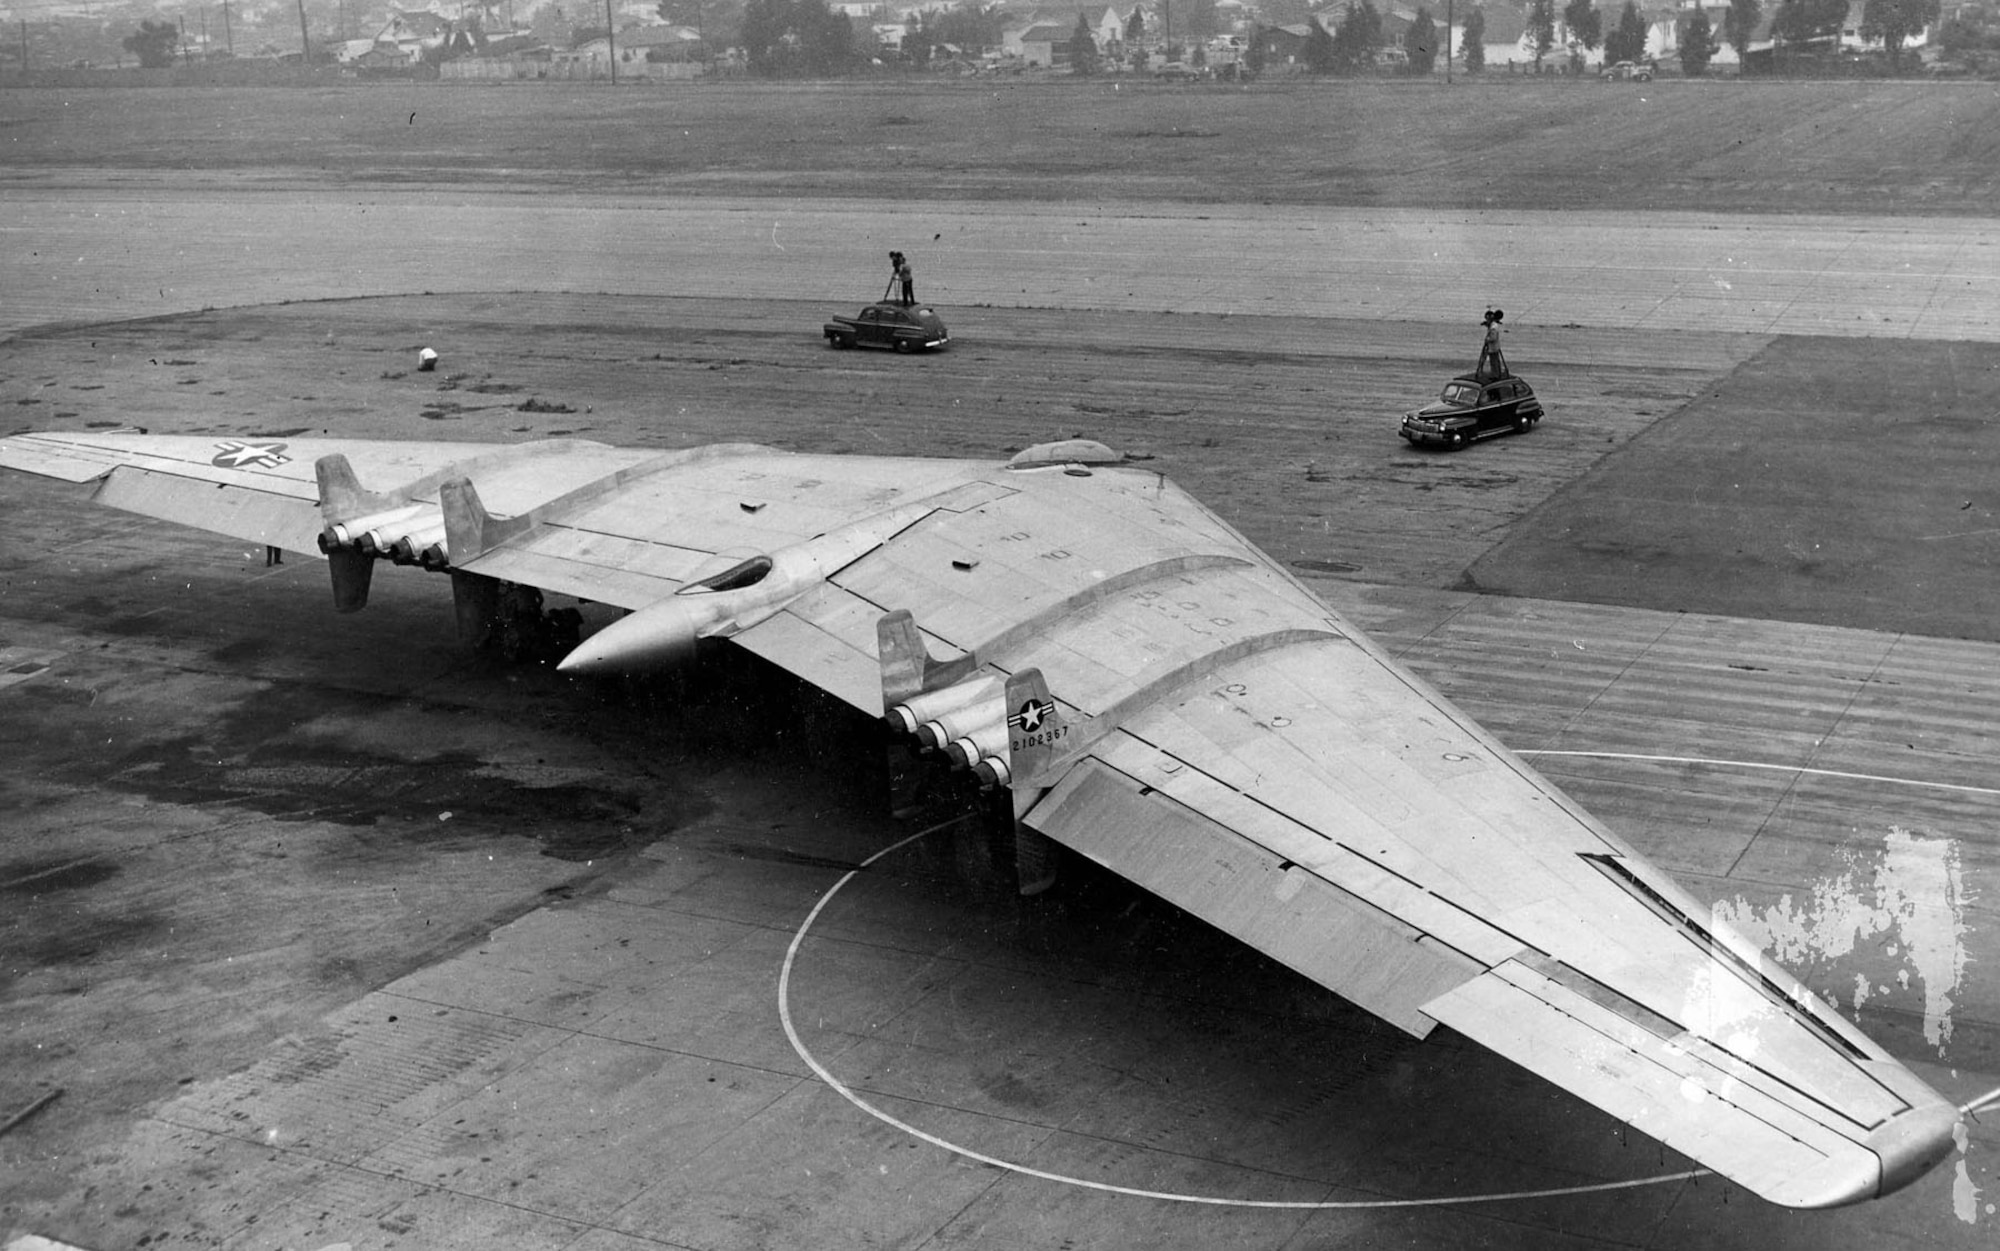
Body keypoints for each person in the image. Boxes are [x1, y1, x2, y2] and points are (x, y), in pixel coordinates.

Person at [1475, 308, 1508, 379]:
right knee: (1495, 361)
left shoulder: (1493, 327)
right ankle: (1497, 374)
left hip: (1493, 347)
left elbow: (1493, 338)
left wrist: (1487, 339)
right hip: (1494, 347)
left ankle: (1495, 375)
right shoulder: (1493, 325)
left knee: (1494, 362)